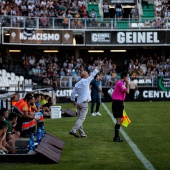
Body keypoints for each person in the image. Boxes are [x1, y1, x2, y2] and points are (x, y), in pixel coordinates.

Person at [70, 61, 103, 138]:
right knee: (81, 118)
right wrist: (99, 65)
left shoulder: (77, 84)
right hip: (84, 103)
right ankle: (73, 130)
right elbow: (94, 73)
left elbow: (72, 94)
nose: (88, 74)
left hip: (78, 103)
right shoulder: (87, 81)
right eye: (87, 73)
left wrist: (73, 101)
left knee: (79, 118)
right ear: (84, 75)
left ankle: (82, 133)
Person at [112, 71, 129, 142]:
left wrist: (123, 101)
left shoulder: (120, 83)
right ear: (124, 77)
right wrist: (128, 83)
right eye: (127, 77)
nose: (128, 78)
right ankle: (116, 137)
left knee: (120, 120)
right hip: (117, 103)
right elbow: (127, 91)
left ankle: (116, 137)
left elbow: (121, 93)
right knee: (119, 120)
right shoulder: (120, 83)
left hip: (119, 102)